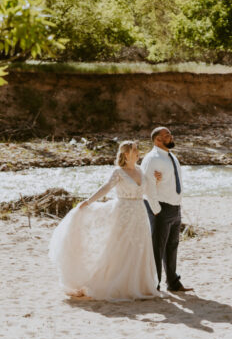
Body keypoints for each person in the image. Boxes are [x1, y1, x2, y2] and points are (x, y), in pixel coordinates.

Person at [48, 140, 162, 301]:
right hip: (123, 213)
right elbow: (106, 188)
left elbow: (149, 191)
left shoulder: (140, 170)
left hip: (140, 213)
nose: (138, 153)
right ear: (127, 153)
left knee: (140, 247)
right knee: (121, 247)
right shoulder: (118, 172)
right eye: (135, 150)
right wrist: (88, 201)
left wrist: (157, 182)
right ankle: (116, 285)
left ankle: (139, 285)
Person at [141, 126, 192, 293]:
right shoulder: (152, 158)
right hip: (160, 208)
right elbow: (148, 186)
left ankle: (173, 283)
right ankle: (154, 285)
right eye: (166, 135)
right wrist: (156, 210)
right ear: (157, 140)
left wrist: (178, 205)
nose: (171, 136)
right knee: (157, 248)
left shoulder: (171, 156)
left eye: (170, 133)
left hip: (175, 207)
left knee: (172, 245)